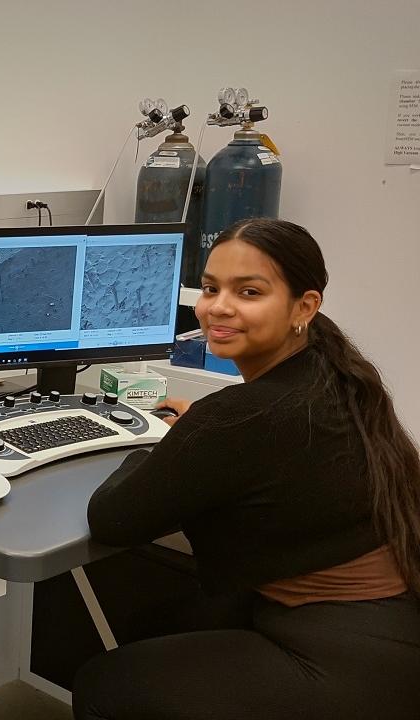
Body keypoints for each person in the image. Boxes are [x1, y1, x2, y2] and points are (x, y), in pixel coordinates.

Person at [72, 219, 420, 719]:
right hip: (388, 632)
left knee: (104, 683)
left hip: (342, 663)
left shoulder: (243, 416)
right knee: (164, 619)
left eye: (249, 291)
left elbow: (112, 518)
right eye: (211, 288)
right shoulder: (334, 376)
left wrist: (156, 446)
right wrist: (200, 436)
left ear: (305, 306)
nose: (218, 307)